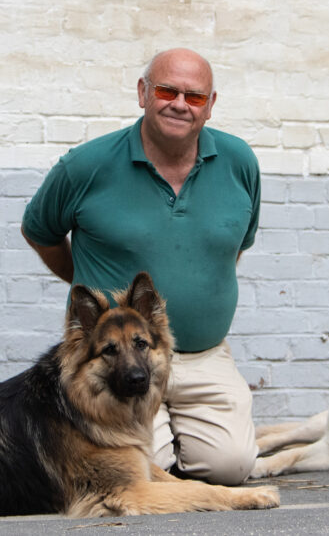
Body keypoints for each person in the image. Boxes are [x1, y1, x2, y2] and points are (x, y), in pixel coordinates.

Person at [20, 48, 261, 485]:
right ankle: (164, 447)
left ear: (210, 105)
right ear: (143, 93)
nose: (179, 104)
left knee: (232, 467)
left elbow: (233, 248)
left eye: (195, 96)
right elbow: (39, 231)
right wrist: (88, 287)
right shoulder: (85, 166)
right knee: (141, 471)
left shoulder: (240, 163)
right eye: (167, 90)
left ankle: (183, 435)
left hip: (204, 357)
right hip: (118, 361)